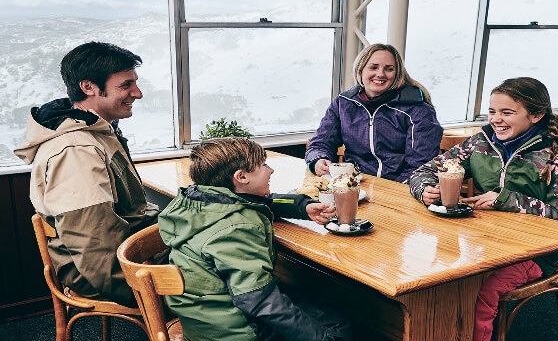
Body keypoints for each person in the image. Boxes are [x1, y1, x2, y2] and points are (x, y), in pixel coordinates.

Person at [408, 77, 558, 341]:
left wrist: (509, 200)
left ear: (536, 115)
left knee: (480, 291)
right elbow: (425, 170)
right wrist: (425, 188)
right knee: (434, 274)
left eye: (507, 112)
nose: (496, 119)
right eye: (493, 111)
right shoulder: (480, 143)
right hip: (482, 244)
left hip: (538, 255)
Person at [158, 137, 351, 341]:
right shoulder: (236, 228)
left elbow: (264, 201)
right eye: (263, 165)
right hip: (237, 331)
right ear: (241, 177)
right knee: (337, 325)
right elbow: (258, 300)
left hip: (204, 319)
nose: (270, 170)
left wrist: (301, 206)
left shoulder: (201, 200)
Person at [14, 41, 159, 306]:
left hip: (128, 252)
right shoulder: (76, 151)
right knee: (219, 285)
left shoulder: (97, 130)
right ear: (88, 87)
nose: (137, 93)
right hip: (105, 273)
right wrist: (148, 296)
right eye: (126, 85)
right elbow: (96, 254)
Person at [306, 43, 443, 183]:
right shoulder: (343, 103)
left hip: (400, 187)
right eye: (373, 67)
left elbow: (420, 166)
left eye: (389, 69)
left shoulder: (418, 109)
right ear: (361, 70)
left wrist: (389, 190)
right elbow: (321, 143)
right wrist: (318, 159)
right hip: (354, 185)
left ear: (397, 74)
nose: (380, 74)